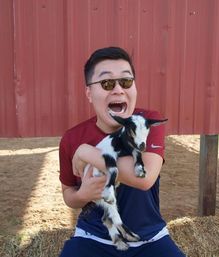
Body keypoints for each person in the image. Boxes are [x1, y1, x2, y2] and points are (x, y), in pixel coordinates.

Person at [59, 46, 185, 257]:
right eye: (107, 83)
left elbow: (144, 178)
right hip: (93, 238)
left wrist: (87, 153)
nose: (118, 89)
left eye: (126, 81)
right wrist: (82, 194)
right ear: (89, 93)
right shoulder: (72, 138)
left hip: (150, 239)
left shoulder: (148, 121)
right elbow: (68, 195)